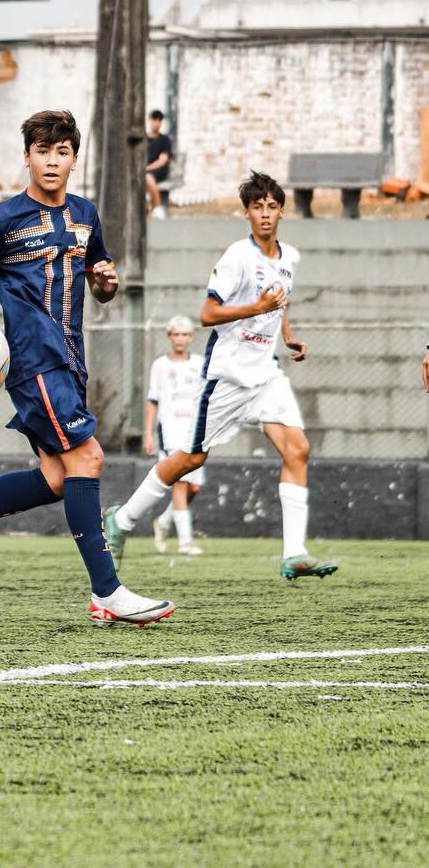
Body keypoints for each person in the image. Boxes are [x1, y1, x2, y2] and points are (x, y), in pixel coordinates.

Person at [0, 109, 175, 627]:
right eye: (42, 151)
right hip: (31, 359)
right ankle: (107, 592)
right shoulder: (2, 218)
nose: (52, 161)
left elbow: (99, 283)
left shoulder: (86, 214)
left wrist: (107, 284)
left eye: (62, 151)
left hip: (71, 357)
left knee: (56, 476)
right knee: (88, 458)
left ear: (74, 158)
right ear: (26, 157)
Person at [105, 171, 338, 581]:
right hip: (227, 376)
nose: (265, 215)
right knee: (191, 458)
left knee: (298, 449)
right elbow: (208, 315)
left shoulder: (290, 258)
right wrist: (256, 309)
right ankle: (122, 520)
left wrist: (288, 336)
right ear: (246, 213)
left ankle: (294, 553)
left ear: (282, 211)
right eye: (257, 208)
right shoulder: (237, 257)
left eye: (272, 207)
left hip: (266, 374)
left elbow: (280, 303)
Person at [142, 317, 206, 556]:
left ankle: (164, 523)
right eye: (176, 334)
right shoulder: (159, 365)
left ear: (191, 337)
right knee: (180, 482)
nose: (180, 339)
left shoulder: (200, 364)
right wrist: (148, 434)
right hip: (170, 430)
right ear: (170, 337)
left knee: (195, 487)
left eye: (184, 334)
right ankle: (186, 542)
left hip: (194, 431)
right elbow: (153, 400)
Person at [145, 109, 173, 219]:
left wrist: (147, 168)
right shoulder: (144, 138)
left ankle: (157, 207)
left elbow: (163, 160)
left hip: (158, 171)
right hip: (144, 171)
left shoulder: (164, 140)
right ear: (149, 121)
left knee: (147, 177)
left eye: (159, 120)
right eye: (154, 119)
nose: (156, 122)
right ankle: (146, 211)